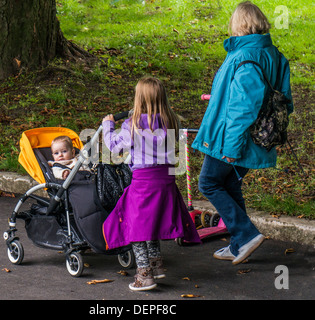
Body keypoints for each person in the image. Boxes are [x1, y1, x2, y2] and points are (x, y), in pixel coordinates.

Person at [192, 1, 293, 265]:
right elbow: (284, 100)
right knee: (230, 184)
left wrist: (231, 149)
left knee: (209, 183)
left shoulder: (245, 57)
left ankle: (246, 235)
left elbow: (244, 109)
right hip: (258, 139)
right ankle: (240, 244)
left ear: (240, 25)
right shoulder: (273, 54)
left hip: (233, 138)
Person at [102, 76, 200, 291]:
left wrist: (108, 125)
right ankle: (156, 264)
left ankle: (144, 274)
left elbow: (114, 148)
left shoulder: (133, 124)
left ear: (139, 99)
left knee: (135, 226)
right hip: (166, 180)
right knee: (152, 222)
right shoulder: (172, 120)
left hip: (144, 182)